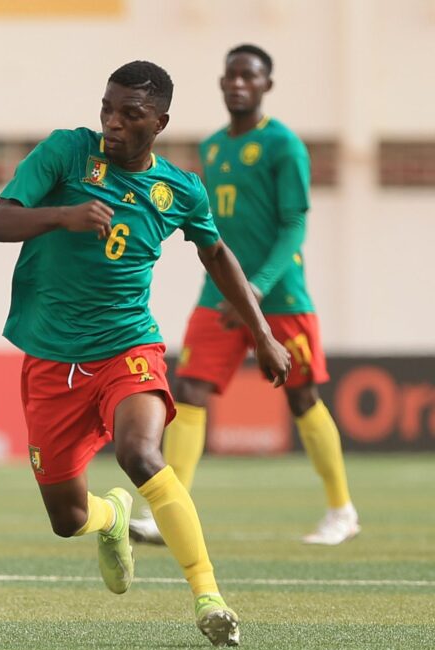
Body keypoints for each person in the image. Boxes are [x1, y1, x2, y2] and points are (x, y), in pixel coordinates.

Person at [0, 60, 291, 648]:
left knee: (140, 452)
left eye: (130, 115)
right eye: (108, 109)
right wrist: (63, 216)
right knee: (66, 520)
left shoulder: (179, 189)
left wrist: (262, 332)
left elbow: (217, 253)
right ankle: (112, 519)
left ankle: (209, 596)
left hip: (128, 346)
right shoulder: (68, 153)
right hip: (51, 357)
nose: (113, 124)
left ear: (160, 122)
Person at [128, 45, 359, 547]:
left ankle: (342, 510)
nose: (238, 84)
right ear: (221, 82)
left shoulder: (284, 146)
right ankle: (171, 510)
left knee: (302, 397)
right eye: (231, 75)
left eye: (249, 77)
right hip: (218, 296)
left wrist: (255, 288)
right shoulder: (212, 147)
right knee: (189, 390)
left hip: (279, 297)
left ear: (265, 86)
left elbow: (294, 225)